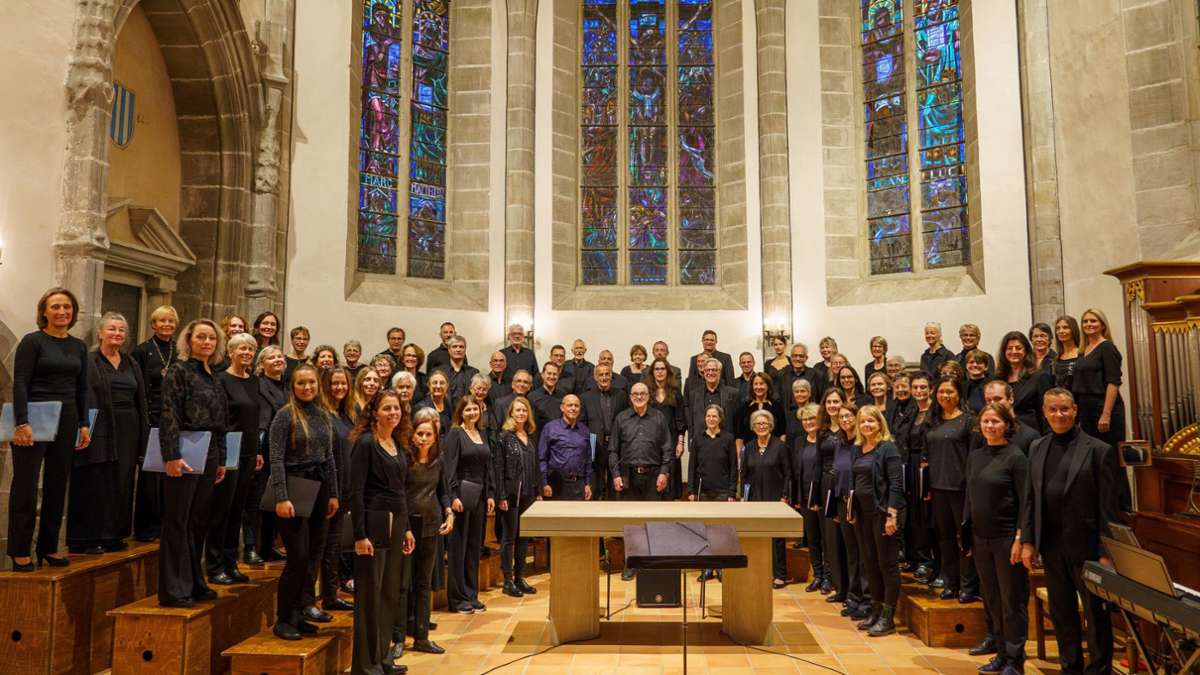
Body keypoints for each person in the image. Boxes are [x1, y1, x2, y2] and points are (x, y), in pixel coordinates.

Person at [1021, 389, 1119, 675]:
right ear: (1044, 412)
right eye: (1053, 410)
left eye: (1064, 409)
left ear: (1075, 410)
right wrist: (1028, 541)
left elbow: (1109, 509)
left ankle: (1099, 670)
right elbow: (1030, 499)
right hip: (1051, 547)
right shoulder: (1037, 447)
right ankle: (1070, 668)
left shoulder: (1098, 450)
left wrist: (1106, 552)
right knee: (1063, 614)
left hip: (1087, 548)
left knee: (1096, 616)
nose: (1059, 415)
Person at [11, 287, 93, 571]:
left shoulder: (79, 346)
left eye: (67, 307)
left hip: (68, 417)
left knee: (57, 486)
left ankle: (48, 546)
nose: (62, 312)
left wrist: (84, 423)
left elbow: (83, 388)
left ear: (73, 312)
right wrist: (21, 422)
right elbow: (20, 382)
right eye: (56, 307)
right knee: (25, 486)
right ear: (44, 311)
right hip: (35, 416)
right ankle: (19, 550)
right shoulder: (32, 342)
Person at [158, 319, 228, 607]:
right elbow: (168, 413)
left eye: (212, 338)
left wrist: (222, 458)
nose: (207, 342)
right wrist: (171, 455)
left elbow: (222, 421)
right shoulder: (178, 371)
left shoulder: (214, 375)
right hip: (185, 448)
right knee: (178, 520)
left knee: (197, 521)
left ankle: (195, 582)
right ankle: (173, 589)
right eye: (201, 337)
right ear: (189, 340)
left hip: (209, 449)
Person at [267, 363, 340, 638]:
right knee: (296, 556)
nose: (307, 387)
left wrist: (333, 493)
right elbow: (275, 458)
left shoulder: (323, 414)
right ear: (293, 386)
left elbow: (330, 457)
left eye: (311, 382)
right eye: (301, 383)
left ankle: (299, 613)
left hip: (320, 487)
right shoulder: (285, 415)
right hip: (295, 486)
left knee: (312, 555)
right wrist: (282, 496)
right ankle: (283, 618)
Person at [346, 389, 415, 671]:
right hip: (373, 523)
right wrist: (360, 535)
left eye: (396, 408)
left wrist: (408, 527)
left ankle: (382, 657)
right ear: (374, 412)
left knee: (388, 593)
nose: (393, 413)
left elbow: (401, 491)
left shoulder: (396, 441)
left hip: (397, 522)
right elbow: (356, 491)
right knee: (370, 596)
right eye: (387, 408)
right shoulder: (365, 443)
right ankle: (365, 665)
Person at [68, 312, 148, 555]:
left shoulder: (131, 362)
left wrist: (143, 436)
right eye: (111, 329)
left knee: (122, 482)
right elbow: (81, 394)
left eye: (121, 330)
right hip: (99, 427)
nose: (117, 334)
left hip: (128, 429)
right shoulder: (89, 360)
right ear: (100, 333)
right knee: (95, 481)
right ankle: (87, 538)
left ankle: (114, 534)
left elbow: (140, 399)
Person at [965, 403, 1030, 674]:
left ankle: (1015, 659)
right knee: (992, 598)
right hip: (981, 539)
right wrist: (967, 536)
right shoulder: (975, 456)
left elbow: (1026, 501)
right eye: (986, 421)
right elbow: (970, 497)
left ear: (1007, 425)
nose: (990, 426)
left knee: (1011, 601)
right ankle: (1002, 654)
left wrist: (1020, 538)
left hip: (1007, 540)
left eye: (996, 422)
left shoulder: (1015, 457)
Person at [208, 333, 262, 585]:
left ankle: (231, 562)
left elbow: (254, 419)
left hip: (250, 449)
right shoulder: (221, 379)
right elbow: (220, 418)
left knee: (238, 508)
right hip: (228, 448)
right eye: (242, 348)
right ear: (230, 352)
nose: (246, 353)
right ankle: (215, 564)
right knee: (221, 508)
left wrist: (258, 451)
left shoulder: (253, 381)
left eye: (250, 349)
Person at [399, 416, 452, 656]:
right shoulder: (404, 459)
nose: (423, 438)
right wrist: (405, 527)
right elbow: (399, 494)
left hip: (431, 525)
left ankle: (422, 637)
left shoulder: (438, 459)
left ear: (434, 436)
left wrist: (449, 513)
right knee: (403, 584)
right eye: (419, 433)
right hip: (408, 526)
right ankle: (398, 639)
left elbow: (443, 492)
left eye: (428, 434)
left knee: (423, 584)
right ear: (412, 435)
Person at [849, 405, 904, 637]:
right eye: (862, 422)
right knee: (869, 563)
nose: (866, 425)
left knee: (886, 564)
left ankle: (888, 617)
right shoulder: (858, 448)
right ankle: (876, 608)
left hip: (882, 514)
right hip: (863, 514)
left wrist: (892, 515)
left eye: (871, 421)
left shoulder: (887, 447)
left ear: (879, 423)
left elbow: (896, 483)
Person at [925, 375, 979, 603]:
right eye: (941, 392)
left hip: (961, 488)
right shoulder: (934, 420)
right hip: (938, 488)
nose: (945, 396)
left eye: (950, 392)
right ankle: (951, 583)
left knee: (964, 539)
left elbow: (975, 456)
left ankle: (968, 585)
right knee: (945, 538)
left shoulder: (969, 421)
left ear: (959, 394)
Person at [131, 304, 179, 542]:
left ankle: (166, 524)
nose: (167, 325)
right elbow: (138, 387)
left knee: (171, 475)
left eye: (171, 321)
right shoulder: (142, 351)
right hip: (151, 417)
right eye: (162, 321)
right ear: (153, 324)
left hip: (174, 420)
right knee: (150, 476)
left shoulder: (180, 351)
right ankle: (147, 528)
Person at [443, 397, 494, 614]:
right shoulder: (456, 433)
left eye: (475, 409)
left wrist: (490, 494)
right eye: (468, 409)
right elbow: (449, 467)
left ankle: (471, 594)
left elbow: (487, 467)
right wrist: (452, 496)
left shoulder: (481, 433)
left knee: (474, 548)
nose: (472, 412)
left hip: (479, 496)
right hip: (462, 497)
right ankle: (457, 598)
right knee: (458, 549)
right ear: (461, 412)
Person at [315, 367, 355, 613]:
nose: (339, 388)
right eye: (334, 384)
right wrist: (332, 491)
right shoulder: (322, 414)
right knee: (318, 547)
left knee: (333, 546)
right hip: (328, 490)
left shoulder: (347, 414)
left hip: (345, 489)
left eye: (343, 384)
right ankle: (309, 601)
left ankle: (331, 595)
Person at [246, 345, 288, 564]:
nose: (277, 360)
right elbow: (257, 421)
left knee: (274, 499)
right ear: (261, 365)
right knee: (255, 499)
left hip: (283, 450)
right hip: (263, 449)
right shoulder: (257, 385)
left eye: (280, 356)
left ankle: (268, 546)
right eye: (271, 357)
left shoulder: (287, 387)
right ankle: (251, 547)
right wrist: (257, 450)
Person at [740, 409, 792, 589]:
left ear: (770, 426)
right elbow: (744, 475)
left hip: (776, 499)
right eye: (758, 424)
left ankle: (780, 574)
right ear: (753, 427)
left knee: (777, 538)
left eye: (765, 423)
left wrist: (785, 496)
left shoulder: (780, 446)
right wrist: (744, 499)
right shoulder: (749, 446)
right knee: (758, 536)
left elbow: (788, 474)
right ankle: (760, 571)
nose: (761, 426)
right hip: (755, 499)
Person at [494, 397, 540, 598]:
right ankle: (507, 580)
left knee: (524, 537)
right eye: (518, 410)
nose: (521, 413)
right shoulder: (504, 437)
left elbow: (535, 466)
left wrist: (537, 491)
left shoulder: (529, 437)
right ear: (511, 413)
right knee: (509, 537)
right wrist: (501, 495)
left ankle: (520, 577)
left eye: (524, 410)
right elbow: (498, 468)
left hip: (528, 493)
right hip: (511, 494)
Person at [832, 400, 869, 619]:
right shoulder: (840, 442)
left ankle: (866, 599)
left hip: (859, 504)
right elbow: (838, 473)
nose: (845, 420)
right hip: (843, 502)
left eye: (849, 416)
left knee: (864, 554)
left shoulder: (862, 443)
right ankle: (854, 597)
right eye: (842, 417)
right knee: (852, 554)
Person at [610, 383, 672, 504]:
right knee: (629, 517)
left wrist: (664, 473)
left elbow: (667, 448)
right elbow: (613, 450)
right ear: (631, 397)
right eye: (635, 394)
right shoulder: (621, 418)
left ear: (648, 397)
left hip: (653, 477)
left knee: (653, 517)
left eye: (642, 394)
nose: (639, 397)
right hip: (627, 477)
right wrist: (616, 474)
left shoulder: (659, 417)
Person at [1074, 308, 1126, 451]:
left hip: (1102, 407)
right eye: (1085, 321)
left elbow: (1113, 382)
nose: (1088, 324)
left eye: (1093, 320)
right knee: (1090, 454)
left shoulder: (1107, 347)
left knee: (1108, 455)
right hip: (1086, 408)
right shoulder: (1083, 350)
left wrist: (1106, 414)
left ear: (1103, 325)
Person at [818, 389, 850, 601]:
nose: (832, 405)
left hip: (844, 484)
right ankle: (840, 588)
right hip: (826, 484)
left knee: (847, 539)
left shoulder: (848, 429)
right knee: (830, 539)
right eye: (829, 401)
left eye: (836, 401)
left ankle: (852, 590)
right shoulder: (823, 430)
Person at [791, 404, 827, 592]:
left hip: (821, 498)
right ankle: (818, 575)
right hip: (805, 496)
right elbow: (796, 472)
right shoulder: (799, 442)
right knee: (812, 539)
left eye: (812, 418)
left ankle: (828, 577)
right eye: (805, 419)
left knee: (826, 540)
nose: (808, 423)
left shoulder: (826, 440)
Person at [580, 364, 630, 500]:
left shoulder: (621, 395)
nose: (604, 377)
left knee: (616, 483)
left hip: (616, 445)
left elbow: (627, 419)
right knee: (596, 483)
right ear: (595, 377)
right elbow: (582, 423)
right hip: (594, 445)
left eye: (607, 374)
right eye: (601, 374)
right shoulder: (585, 397)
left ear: (611, 376)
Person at [538, 394, 593, 501]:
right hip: (555, 484)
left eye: (576, 406)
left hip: (579, 485)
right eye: (570, 405)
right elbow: (542, 458)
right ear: (562, 407)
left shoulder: (585, 430)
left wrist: (588, 484)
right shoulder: (550, 428)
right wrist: (544, 483)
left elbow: (588, 459)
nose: (573, 408)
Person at [645, 358, 687, 498]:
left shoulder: (675, 392)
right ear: (652, 372)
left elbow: (680, 419)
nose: (660, 372)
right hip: (651, 441)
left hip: (672, 440)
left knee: (671, 475)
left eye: (662, 368)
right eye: (657, 369)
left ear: (668, 371)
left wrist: (680, 443)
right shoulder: (647, 393)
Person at [997, 331, 1053, 434]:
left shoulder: (1040, 377)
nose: (1014, 351)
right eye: (1009, 348)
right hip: (1003, 434)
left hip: (1031, 436)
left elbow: (1045, 413)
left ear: (1026, 351)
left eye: (1018, 348)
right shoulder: (998, 379)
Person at [685, 358, 740, 455]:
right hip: (701, 446)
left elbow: (737, 422)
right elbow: (691, 422)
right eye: (708, 370)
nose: (711, 372)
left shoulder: (733, 393)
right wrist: (691, 444)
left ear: (720, 372)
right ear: (703, 372)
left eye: (714, 370)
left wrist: (737, 446)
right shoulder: (694, 394)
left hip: (725, 447)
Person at [689, 404, 738, 503]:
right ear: (705, 418)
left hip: (723, 492)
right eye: (708, 416)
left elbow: (733, 467)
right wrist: (691, 491)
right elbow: (692, 466)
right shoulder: (697, 438)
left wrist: (732, 492)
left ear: (720, 419)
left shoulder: (728, 438)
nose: (711, 419)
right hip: (701, 492)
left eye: (714, 416)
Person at [981, 380, 1041, 454]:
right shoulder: (984, 434)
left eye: (997, 399)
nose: (992, 404)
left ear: (1011, 399)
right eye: (988, 400)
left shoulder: (1029, 436)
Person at [735, 372, 783, 447]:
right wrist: (739, 457)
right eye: (756, 384)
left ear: (768, 386)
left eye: (761, 384)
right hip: (750, 452)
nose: (758, 387)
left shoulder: (777, 406)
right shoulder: (745, 407)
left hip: (773, 450)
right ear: (752, 386)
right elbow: (739, 436)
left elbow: (782, 433)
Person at [775, 343, 820, 421]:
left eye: (801, 356)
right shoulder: (782, 374)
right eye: (795, 356)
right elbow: (777, 397)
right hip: (787, 418)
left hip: (810, 417)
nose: (798, 359)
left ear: (806, 358)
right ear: (791, 358)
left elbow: (819, 398)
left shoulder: (815, 375)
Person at [685, 329, 734, 395]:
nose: (709, 342)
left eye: (712, 340)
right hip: (699, 397)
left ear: (716, 341)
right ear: (702, 341)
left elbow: (730, 381)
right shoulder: (694, 359)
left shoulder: (725, 358)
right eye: (706, 340)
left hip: (721, 396)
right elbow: (691, 382)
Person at [529, 362, 566, 431]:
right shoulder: (532, 397)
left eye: (555, 374)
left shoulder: (563, 396)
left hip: (559, 437)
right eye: (549, 373)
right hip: (540, 437)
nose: (552, 377)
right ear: (542, 375)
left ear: (558, 376)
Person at [414, 370, 451, 434]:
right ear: (429, 385)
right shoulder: (420, 407)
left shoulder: (449, 404)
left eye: (442, 383)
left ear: (447, 386)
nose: (438, 386)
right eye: (435, 383)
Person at [444, 336, 479, 404]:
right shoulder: (440, 372)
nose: (458, 349)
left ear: (465, 350)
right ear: (449, 349)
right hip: (445, 413)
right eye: (454, 346)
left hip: (468, 412)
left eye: (461, 347)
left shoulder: (474, 372)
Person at [1053, 315, 1081, 390]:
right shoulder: (1056, 358)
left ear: (1073, 330)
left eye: (1065, 328)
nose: (1061, 331)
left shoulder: (1082, 354)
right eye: (1058, 328)